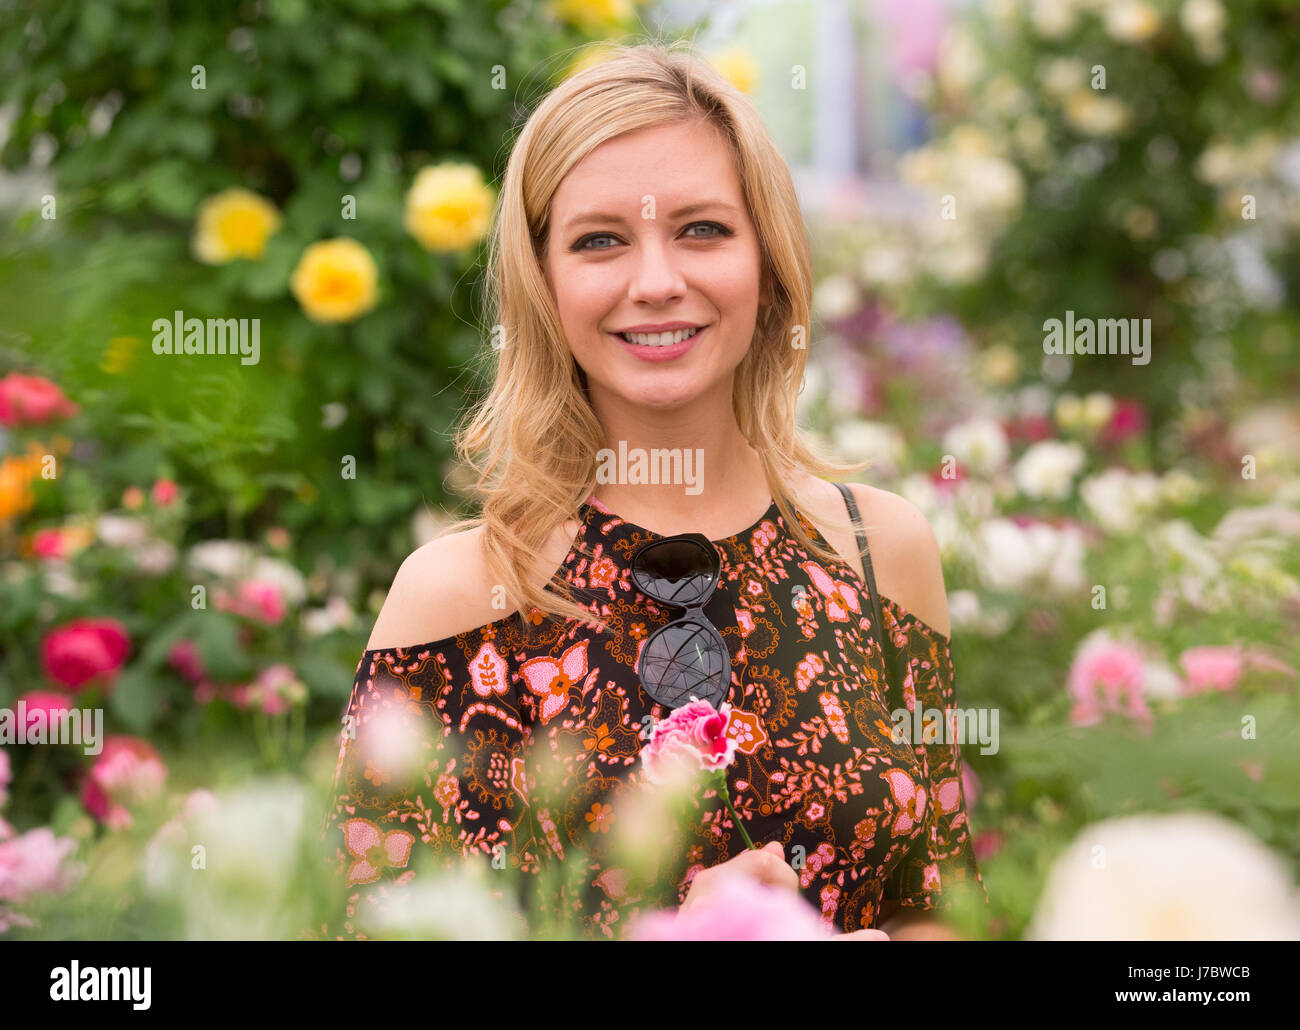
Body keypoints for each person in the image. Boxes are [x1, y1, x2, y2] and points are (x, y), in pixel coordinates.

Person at [317, 40, 987, 940]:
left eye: (702, 229)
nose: (658, 282)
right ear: (544, 283)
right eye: (600, 241)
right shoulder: (461, 598)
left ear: (768, 261)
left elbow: (936, 907)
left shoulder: (881, 554)